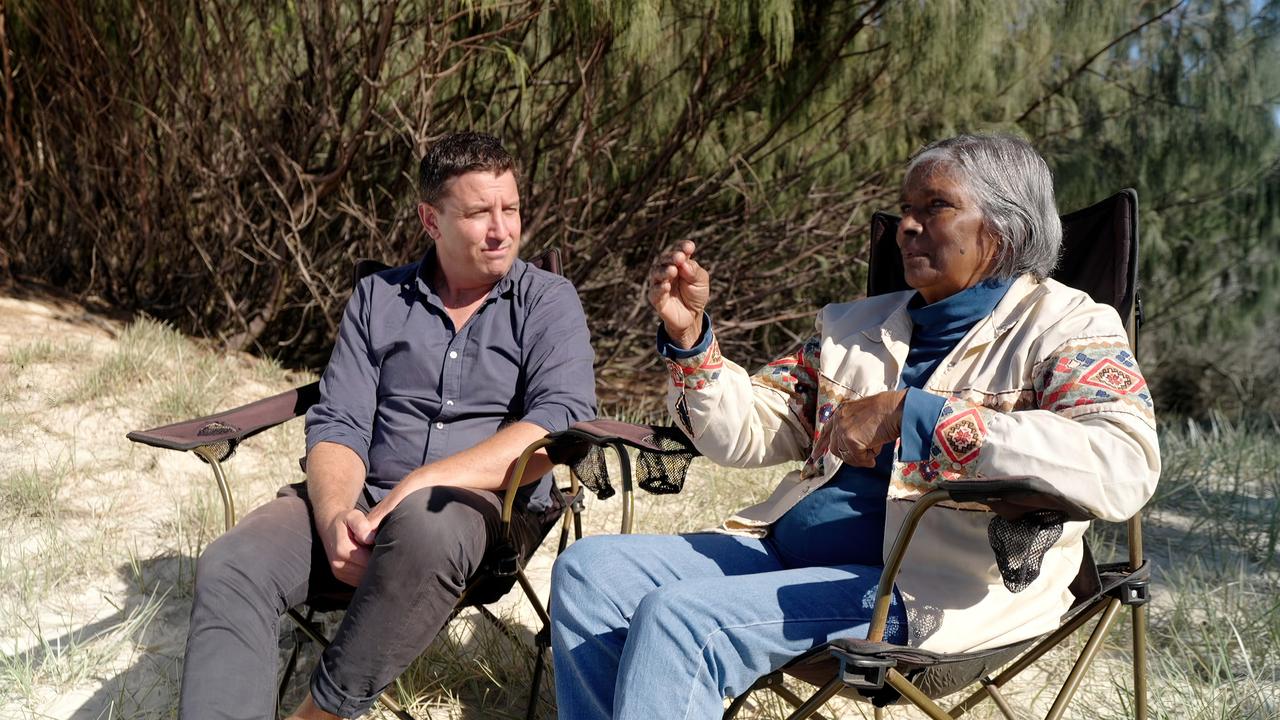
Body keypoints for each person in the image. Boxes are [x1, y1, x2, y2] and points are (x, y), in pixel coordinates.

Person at [549, 133, 1159, 719]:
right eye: (904, 210)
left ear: (1001, 229)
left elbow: (1122, 464)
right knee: (590, 571)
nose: (907, 228)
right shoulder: (854, 328)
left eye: (935, 207)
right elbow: (751, 431)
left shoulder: (1068, 328)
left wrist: (918, 414)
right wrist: (690, 343)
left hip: (923, 593)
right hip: (782, 554)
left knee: (681, 619)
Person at [180, 131, 597, 720]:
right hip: (363, 502)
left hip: (488, 515)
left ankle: (318, 714)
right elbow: (340, 420)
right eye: (480, 212)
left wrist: (417, 487)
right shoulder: (379, 298)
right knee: (233, 564)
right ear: (432, 219)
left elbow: (558, 422)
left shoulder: (547, 301)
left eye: (511, 208)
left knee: (424, 526)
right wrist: (333, 522)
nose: (502, 229)